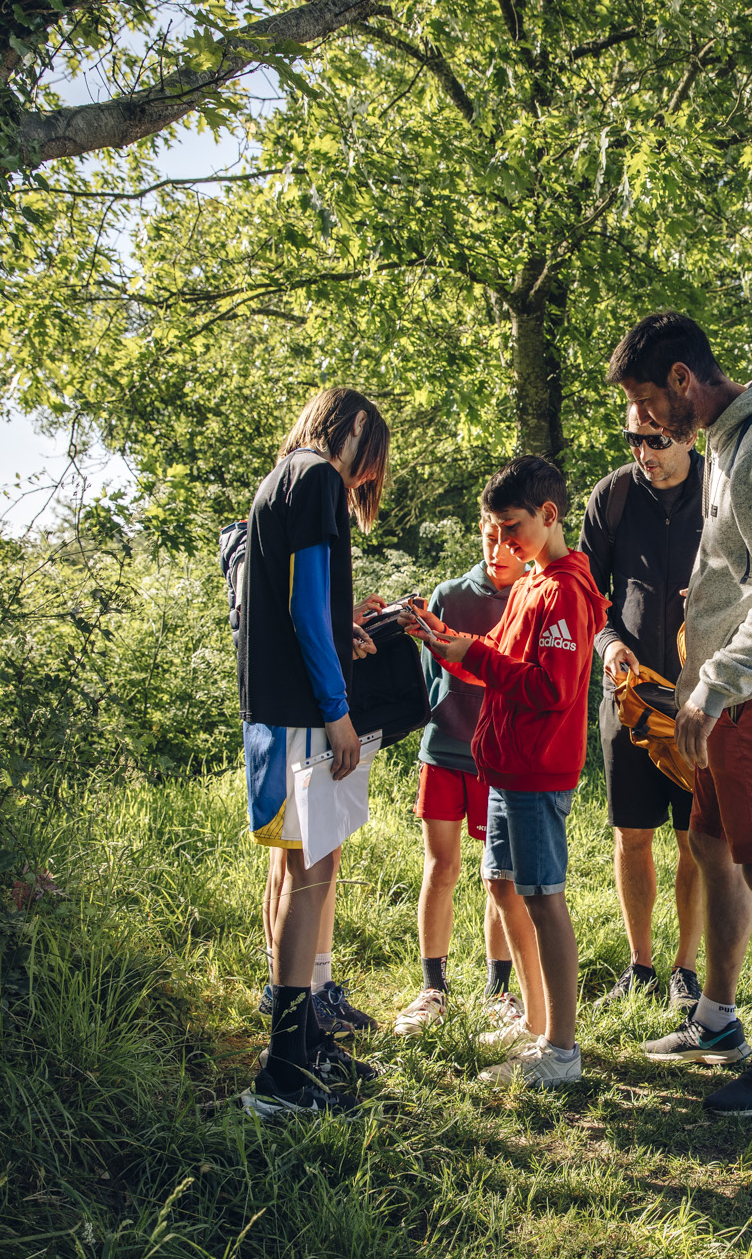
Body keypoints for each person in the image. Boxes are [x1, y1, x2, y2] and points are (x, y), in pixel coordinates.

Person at [609, 312, 752, 1117]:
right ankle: (718, 1021)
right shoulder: (728, 441)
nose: (641, 422)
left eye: (645, 401)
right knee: (709, 844)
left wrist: (716, 682)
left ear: (681, 379)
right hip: (722, 695)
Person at [406, 455, 608, 1087]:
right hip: (502, 765)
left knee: (543, 897)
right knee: (501, 886)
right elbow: (495, 659)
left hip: (537, 771)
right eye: (494, 529)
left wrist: (478, 657)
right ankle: (534, 1021)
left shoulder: (566, 591)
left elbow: (551, 688)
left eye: (513, 527)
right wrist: (444, 641)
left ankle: (561, 1051)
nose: (504, 541)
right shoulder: (529, 582)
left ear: (549, 515)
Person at [238, 387, 391, 1117]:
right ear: (354, 427)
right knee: (313, 871)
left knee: (289, 865)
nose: (364, 478)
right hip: (304, 712)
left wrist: (341, 628)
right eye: (370, 460)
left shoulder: (278, 481)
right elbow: (303, 606)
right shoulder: (319, 476)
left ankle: (300, 1040)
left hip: (269, 708)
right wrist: (338, 713)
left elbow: (294, 602)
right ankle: (284, 1074)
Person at [578, 404, 707, 1012]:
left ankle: (686, 970)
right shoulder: (613, 496)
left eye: (655, 440)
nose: (643, 453)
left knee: (694, 840)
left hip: (700, 699)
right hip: (628, 695)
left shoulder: (721, 491)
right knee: (632, 835)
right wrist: (608, 645)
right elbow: (586, 595)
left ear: (688, 434)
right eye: (634, 440)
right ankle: (640, 965)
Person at [391, 516, 536, 1036]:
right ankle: (433, 988)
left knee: (502, 880)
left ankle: (499, 992)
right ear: (480, 531)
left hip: (498, 758)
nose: (498, 551)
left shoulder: (533, 597)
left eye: (509, 541)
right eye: (490, 538)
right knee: (441, 868)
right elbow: (434, 674)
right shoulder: (449, 595)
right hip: (443, 751)